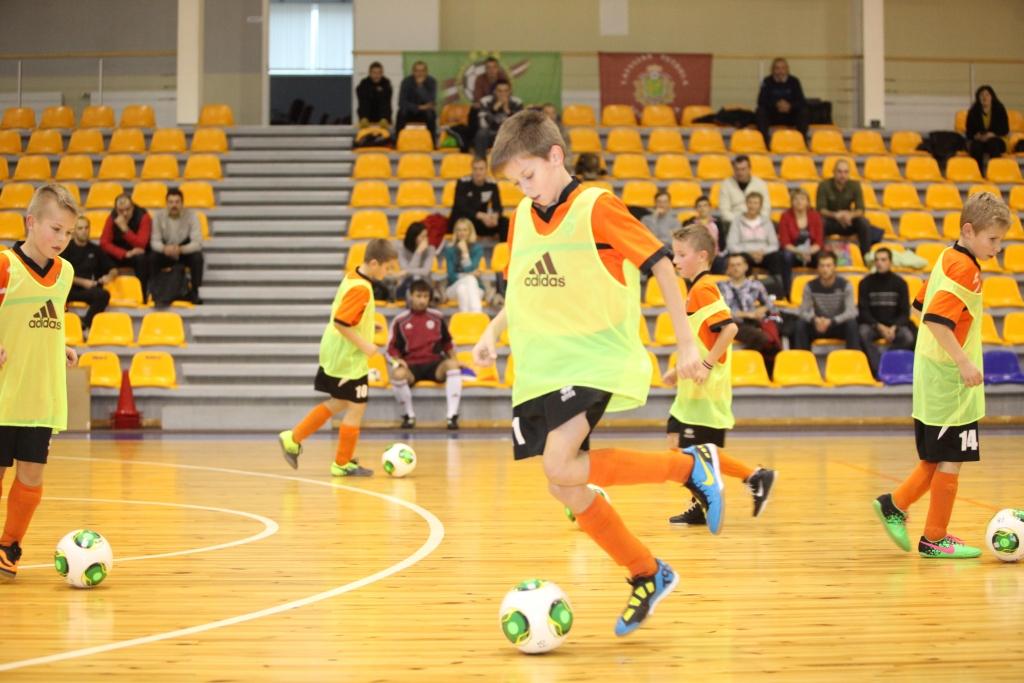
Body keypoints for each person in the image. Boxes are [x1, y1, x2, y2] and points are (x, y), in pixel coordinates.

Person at [471, 109, 729, 638]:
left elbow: (660, 263)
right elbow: (521, 286)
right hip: (541, 366)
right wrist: (494, 330)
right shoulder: (523, 217)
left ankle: (689, 469)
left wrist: (684, 342)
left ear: (555, 157)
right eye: (515, 182)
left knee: (561, 462)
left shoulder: (596, 207)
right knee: (561, 482)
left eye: (529, 176)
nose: (524, 189)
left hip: (592, 358)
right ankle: (647, 571)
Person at [873, 192, 1010, 559]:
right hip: (949, 380)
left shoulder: (946, 257)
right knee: (952, 456)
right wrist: (963, 362)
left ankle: (897, 506)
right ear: (969, 230)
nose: (998, 247)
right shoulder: (965, 269)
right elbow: (934, 319)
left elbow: (921, 305)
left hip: (934, 374)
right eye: (993, 239)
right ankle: (932, 536)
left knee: (939, 455)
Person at [662, 225, 777, 526]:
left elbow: (730, 329)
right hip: (692, 388)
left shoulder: (704, 289)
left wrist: (706, 366)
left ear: (702, 257)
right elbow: (703, 339)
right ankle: (703, 503)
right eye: (674, 253)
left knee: (693, 454)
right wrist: (678, 371)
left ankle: (755, 476)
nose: (675, 260)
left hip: (706, 389)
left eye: (681, 254)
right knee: (684, 448)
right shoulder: (694, 290)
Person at [0, 184, 80, 579]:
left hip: (41, 393)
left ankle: (8, 547)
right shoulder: (4, 266)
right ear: (31, 222)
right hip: (3, 392)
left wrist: (58, 344)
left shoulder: (65, 272)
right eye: (55, 229)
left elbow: (44, 315)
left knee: (31, 475)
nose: (62, 240)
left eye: (68, 232)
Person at [277, 239, 399, 477]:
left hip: (337, 352)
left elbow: (347, 313)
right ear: (374, 263)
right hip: (348, 358)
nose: (389, 272)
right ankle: (341, 464)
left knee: (342, 403)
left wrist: (366, 324)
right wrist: (366, 345)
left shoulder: (354, 275)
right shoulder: (361, 289)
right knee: (357, 407)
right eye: (387, 267)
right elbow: (341, 322)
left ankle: (293, 439)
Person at [387, 279, 462, 430]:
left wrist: (455, 358)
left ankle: (451, 416)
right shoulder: (400, 321)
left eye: (425, 296)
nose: (422, 300)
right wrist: (397, 361)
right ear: (411, 296)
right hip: (411, 366)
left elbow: (448, 343)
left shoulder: (438, 317)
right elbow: (391, 349)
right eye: (418, 296)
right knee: (398, 375)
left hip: (435, 364)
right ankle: (409, 416)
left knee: (453, 366)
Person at [718, 253, 781, 373]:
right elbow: (721, 311)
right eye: (732, 265)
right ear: (728, 269)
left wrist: (762, 310)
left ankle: (762, 370)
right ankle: (747, 366)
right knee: (762, 339)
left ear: (746, 267)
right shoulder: (721, 286)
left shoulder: (755, 285)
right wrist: (746, 314)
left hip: (753, 323)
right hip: (731, 325)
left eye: (738, 264)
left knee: (773, 337)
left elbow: (771, 305)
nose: (735, 268)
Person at [858, 247, 916, 377]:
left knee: (907, 336)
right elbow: (863, 312)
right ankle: (878, 369)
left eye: (883, 260)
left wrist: (894, 327)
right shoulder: (865, 283)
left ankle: (885, 360)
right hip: (873, 325)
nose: (879, 263)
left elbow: (904, 313)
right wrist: (879, 326)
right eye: (877, 260)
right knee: (862, 333)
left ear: (890, 262)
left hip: (894, 326)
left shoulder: (900, 283)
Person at [790, 251, 859, 350]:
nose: (825, 269)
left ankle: (853, 361)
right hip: (819, 325)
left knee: (852, 324)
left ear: (835, 267)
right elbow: (803, 311)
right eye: (822, 266)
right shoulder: (810, 286)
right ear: (817, 268)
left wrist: (832, 321)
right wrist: (815, 320)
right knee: (800, 324)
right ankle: (804, 361)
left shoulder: (845, 285)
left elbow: (852, 312)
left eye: (828, 266)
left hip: (837, 325)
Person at [725, 192, 790, 295]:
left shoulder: (766, 221)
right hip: (745, 253)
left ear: (760, 205)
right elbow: (731, 244)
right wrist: (749, 252)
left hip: (764, 254)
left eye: (756, 203)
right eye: (750, 202)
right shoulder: (737, 221)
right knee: (741, 259)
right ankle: (743, 292)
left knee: (778, 257)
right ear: (746, 204)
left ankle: (779, 292)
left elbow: (774, 244)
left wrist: (762, 252)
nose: (752, 206)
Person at [149, 187, 204, 304]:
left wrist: (181, 249)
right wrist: (164, 249)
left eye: (177, 202)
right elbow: (154, 241)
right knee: (152, 257)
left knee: (197, 258)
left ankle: (195, 292)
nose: (174, 205)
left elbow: (198, 243)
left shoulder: (192, 216)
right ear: (166, 203)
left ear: (182, 203)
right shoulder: (158, 216)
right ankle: (154, 292)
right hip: (166, 250)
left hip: (184, 251)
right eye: (171, 202)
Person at [63, 214, 116, 331]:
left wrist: (109, 276)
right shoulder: (65, 248)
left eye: (86, 228)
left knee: (103, 294)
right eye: (80, 228)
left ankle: (84, 325)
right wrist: (81, 282)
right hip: (69, 289)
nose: (84, 231)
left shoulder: (95, 249)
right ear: (74, 230)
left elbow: (113, 269)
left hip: (88, 290)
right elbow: (59, 273)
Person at [816, 159, 874, 255]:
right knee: (819, 222)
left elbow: (861, 209)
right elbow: (820, 209)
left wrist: (850, 215)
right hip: (831, 221)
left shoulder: (855, 185)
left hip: (848, 221)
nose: (843, 175)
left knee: (863, 222)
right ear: (834, 172)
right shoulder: (824, 185)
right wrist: (836, 215)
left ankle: (866, 257)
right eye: (839, 171)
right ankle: (820, 257)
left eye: (845, 172)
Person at [99, 194, 150, 297]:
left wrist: (125, 229)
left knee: (142, 258)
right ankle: (102, 292)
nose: (125, 213)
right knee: (99, 254)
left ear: (133, 207)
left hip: (138, 254)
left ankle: (142, 295)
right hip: (121, 253)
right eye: (121, 211)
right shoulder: (112, 217)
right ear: (116, 210)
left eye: (128, 209)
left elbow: (142, 244)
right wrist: (124, 253)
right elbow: (104, 242)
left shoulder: (143, 216)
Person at [450, 157, 507, 241]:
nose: (478, 172)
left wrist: (495, 216)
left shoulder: (492, 185)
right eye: (475, 169)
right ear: (471, 170)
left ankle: (503, 250)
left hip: (482, 222)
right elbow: (460, 206)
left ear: (486, 170)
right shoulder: (462, 183)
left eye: (481, 169)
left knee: (505, 222)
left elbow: (498, 206)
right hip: (465, 219)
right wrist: (481, 216)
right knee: (463, 222)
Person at [755, 57, 809, 140]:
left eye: (783, 68)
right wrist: (776, 105)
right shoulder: (767, 81)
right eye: (777, 68)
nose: (780, 71)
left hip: (790, 115)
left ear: (787, 69)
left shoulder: (794, 81)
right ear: (772, 70)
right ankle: (764, 143)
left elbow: (801, 101)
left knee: (803, 111)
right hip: (773, 115)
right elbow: (761, 101)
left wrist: (790, 106)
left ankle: (801, 141)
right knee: (760, 111)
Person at [442, 218, 485, 312]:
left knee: (462, 290)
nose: (462, 233)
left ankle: (465, 321)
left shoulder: (477, 248)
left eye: (465, 230)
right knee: (470, 279)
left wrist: (465, 253)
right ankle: (478, 316)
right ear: (455, 232)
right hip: (453, 288)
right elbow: (451, 276)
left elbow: (471, 268)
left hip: (476, 288)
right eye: (459, 230)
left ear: (470, 231)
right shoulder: (449, 249)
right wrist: (470, 274)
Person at [718, 155, 771, 229]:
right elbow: (724, 212)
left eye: (743, 169)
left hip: (757, 224)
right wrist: (741, 222)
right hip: (733, 224)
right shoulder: (726, 185)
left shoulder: (760, 184)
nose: (740, 172)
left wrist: (755, 222)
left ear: (749, 169)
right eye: (737, 169)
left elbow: (766, 209)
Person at [473, 80, 523, 158]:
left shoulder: (517, 102)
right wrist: (493, 110)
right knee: (481, 133)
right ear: (494, 92)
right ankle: (481, 162)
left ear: (510, 92)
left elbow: (519, 124)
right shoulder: (486, 101)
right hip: (492, 133)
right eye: (500, 91)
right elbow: (482, 124)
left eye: (506, 91)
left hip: (509, 134)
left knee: (521, 135)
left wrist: (507, 111)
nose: (503, 94)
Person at [965, 85, 1009, 174]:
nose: (984, 97)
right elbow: (969, 132)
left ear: (992, 97)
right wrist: (976, 136)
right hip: (979, 141)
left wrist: (993, 134)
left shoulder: (1000, 109)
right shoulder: (973, 111)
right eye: (982, 95)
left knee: (993, 144)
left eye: (987, 95)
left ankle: (996, 173)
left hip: (996, 139)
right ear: (978, 97)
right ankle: (978, 174)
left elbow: (1005, 129)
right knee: (976, 146)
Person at [778, 187, 824, 270]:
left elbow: (819, 242)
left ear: (808, 202)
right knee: (785, 256)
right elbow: (785, 243)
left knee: (822, 257)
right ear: (791, 202)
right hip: (793, 252)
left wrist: (808, 252)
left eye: (802, 199)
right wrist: (801, 252)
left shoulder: (815, 216)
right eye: (796, 199)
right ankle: (787, 283)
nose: (799, 202)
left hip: (811, 252)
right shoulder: (785, 216)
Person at [396, 61, 437, 142]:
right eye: (417, 71)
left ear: (426, 72)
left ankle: (432, 143)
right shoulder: (406, 82)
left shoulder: (432, 82)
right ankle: (398, 142)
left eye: (422, 71)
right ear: (413, 71)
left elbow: (431, 101)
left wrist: (420, 87)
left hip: (425, 113)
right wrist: (419, 107)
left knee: (431, 114)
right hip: (410, 111)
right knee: (401, 113)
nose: (420, 73)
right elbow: (401, 102)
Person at [394, 222, 436, 301]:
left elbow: (425, 271)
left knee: (417, 277)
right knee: (414, 277)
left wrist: (406, 271)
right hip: (406, 285)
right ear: (413, 237)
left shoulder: (430, 249)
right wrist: (418, 252)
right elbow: (406, 272)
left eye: (426, 236)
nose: (425, 239)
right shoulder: (401, 249)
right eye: (422, 236)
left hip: (425, 285)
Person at [356, 61, 393, 129]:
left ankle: (384, 120)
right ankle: (364, 119)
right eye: (374, 73)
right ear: (370, 73)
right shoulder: (364, 83)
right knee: (365, 100)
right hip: (367, 114)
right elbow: (362, 97)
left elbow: (386, 99)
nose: (376, 75)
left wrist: (375, 92)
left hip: (382, 115)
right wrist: (376, 91)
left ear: (382, 73)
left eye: (379, 73)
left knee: (383, 100)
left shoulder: (386, 83)